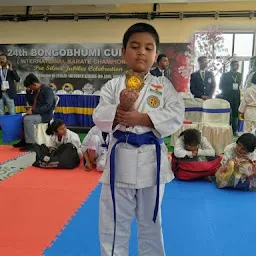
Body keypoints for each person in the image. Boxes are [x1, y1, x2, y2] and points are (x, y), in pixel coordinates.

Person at [93, 23, 184, 256]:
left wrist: (143, 118)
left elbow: (176, 115)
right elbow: (99, 115)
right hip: (119, 160)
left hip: (151, 163)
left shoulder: (163, 86)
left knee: (151, 222)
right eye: (134, 46)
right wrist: (119, 108)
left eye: (148, 47)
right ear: (124, 52)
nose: (141, 52)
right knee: (113, 223)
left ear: (155, 54)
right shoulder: (113, 86)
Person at [13, 74, 55, 151]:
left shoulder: (47, 90)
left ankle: (30, 144)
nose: (29, 88)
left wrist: (33, 111)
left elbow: (47, 105)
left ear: (34, 84)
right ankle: (24, 140)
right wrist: (28, 93)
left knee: (28, 119)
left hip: (45, 115)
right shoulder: (35, 91)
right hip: (37, 113)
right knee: (22, 117)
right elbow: (31, 102)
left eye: (30, 87)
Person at [219, 60, 242, 135]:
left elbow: (239, 86)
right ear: (231, 66)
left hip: (236, 97)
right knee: (227, 113)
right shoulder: (225, 75)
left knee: (235, 114)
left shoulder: (239, 75)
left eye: (238, 65)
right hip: (227, 96)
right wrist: (230, 88)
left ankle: (234, 130)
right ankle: (226, 130)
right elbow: (220, 86)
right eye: (236, 65)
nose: (237, 66)